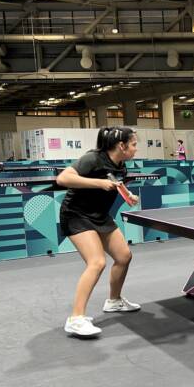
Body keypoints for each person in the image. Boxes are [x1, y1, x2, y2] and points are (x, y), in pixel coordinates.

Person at [55, 126, 142, 338]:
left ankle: (114, 301)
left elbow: (114, 182)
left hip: (99, 215)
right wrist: (98, 183)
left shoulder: (121, 166)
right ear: (121, 146)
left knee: (124, 256)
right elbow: (63, 179)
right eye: (133, 145)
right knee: (97, 262)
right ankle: (75, 319)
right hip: (76, 214)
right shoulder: (92, 159)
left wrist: (127, 194)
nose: (136, 149)